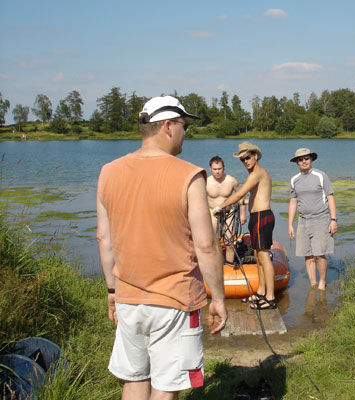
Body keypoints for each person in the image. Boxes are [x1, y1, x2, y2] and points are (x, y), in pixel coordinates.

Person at [96, 95, 227, 400]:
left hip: (129, 298)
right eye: (184, 125)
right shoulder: (190, 176)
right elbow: (206, 245)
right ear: (168, 126)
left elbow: (105, 239)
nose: (185, 132)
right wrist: (218, 298)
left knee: (136, 379)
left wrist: (112, 291)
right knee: (166, 387)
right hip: (175, 299)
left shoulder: (108, 172)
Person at [212, 142, 277, 310]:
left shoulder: (258, 173)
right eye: (242, 159)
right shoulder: (254, 174)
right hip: (256, 217)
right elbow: (247, 197)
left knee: (264, 256)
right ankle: (261, 292)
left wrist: (221, 206)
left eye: (248, 157)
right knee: (257, 256)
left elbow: (240, 193)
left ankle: (270, 297)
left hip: (263, 216)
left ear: (255, 156)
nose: (245, 161)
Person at [287, 148, 337, 290]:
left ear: (311, 159)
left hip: (321, 219)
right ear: (297, 162)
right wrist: (290, 224)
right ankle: (313, 284)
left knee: (320, 254)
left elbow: (330, 197)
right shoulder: (294, 180)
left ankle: (322, 283)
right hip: (303, 221)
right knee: (307, 255)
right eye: (301, 159)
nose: (304, 161)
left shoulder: (321, 175)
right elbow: (293, 202)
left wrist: (334, 220)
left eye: (307, 158)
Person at [206, 155, 247, 264]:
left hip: (229, 214)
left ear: (224, 167)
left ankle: (229, 264)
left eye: (219, 169)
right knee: (216, 243)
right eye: (214, 169)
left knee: (230, 243)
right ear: (210, 169)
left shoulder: (231, 180)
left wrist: (243, 214)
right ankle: (217, 266)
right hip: (213, 214)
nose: (217, 172)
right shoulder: (206, 182)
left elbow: (241, 197)